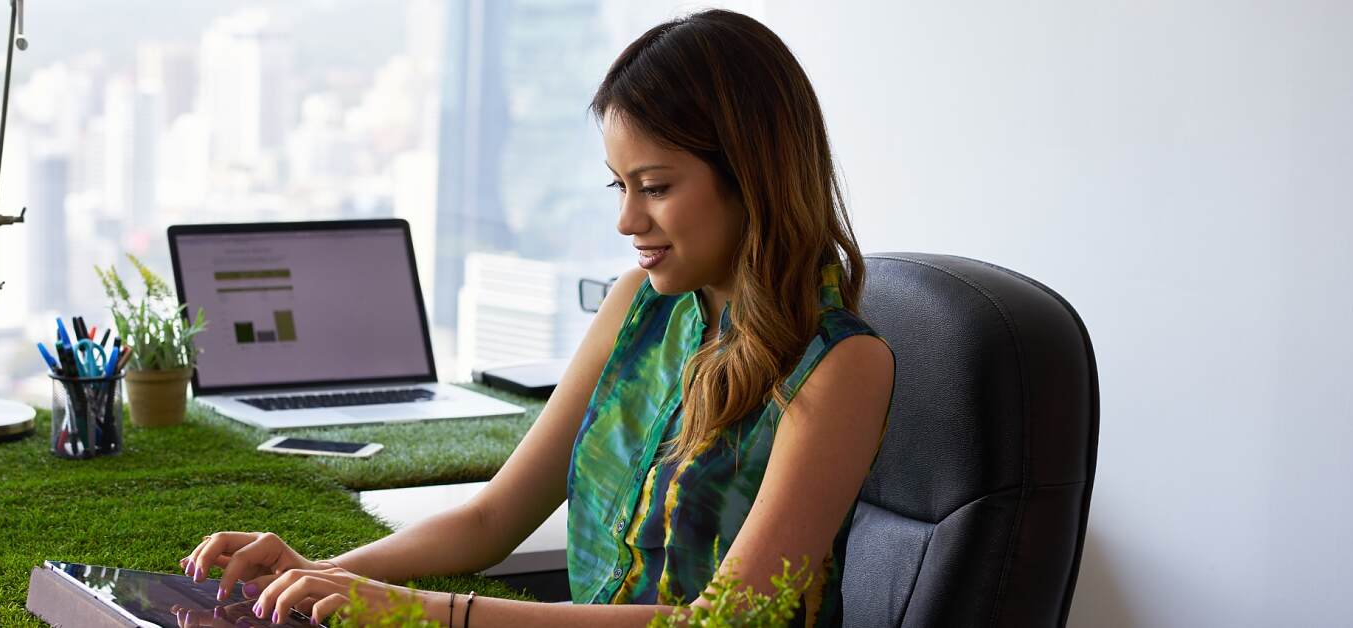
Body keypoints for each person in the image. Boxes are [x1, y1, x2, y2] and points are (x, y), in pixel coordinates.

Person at [182, 9, 893, 627]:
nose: (626, 219)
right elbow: (492, 520)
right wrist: (321, 574)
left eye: (656, 187)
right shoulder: (638, 307)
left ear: (753, 175)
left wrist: (420, 610)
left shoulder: (841, 366)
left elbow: (729, 621)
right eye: (620, 185)